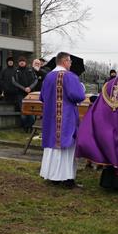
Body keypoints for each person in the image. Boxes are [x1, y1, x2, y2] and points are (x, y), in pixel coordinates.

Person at [39, 52, 86, 188]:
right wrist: (81, 88)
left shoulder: (48, 77)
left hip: (50, 118)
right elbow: (78, 96)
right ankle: (67, 179)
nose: (70, 64)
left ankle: (53, 176)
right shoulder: (70, 76)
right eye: (70, 62)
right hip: (65, 117)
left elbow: (42, 97)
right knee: (66, 147)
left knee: (52, 147)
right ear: (65, 61)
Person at [13, 56, 38, 131]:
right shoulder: (16, 71)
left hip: (31, 94)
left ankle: (31, 126)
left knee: (32, 111)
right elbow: (14, 82)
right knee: (23, 111)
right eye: (20, 61)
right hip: (21, 94)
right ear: (18, 63)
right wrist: (24, 88)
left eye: (23, 61)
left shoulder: (30, 70)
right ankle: (25, 127)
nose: (22, 62)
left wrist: (30, 87)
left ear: (25, 62)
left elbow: (35, 80)